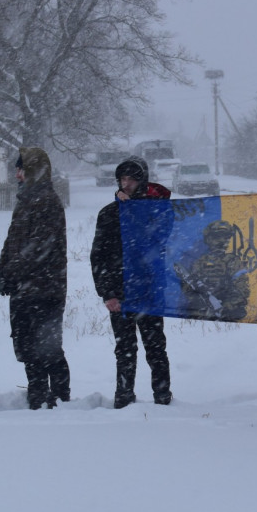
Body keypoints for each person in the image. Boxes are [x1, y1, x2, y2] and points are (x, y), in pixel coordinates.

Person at [90, 156, 173, 409]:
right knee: (125, 349)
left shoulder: (157, 210)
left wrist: (134, 211)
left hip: (149, 291)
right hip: (120, 293)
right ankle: (124, 398)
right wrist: (107, 293)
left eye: (131, 180)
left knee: (155, 348)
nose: (126, 184)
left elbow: (163, 240)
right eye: (122, 179)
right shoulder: (109, 213)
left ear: (142, 181)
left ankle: (163, 398)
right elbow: (99, 256)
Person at [0, 146, 71, 410]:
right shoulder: (26, 199)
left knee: (48, 349)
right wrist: (2, 271)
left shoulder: (47, 201)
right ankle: (37, 398)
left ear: (34, 170)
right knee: (28, 348)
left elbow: (38, 248)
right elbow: (12, 242)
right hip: (25, 288)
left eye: (21, 169)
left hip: (45, 289)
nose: (17, 175)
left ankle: (60, 401)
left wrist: (11, 273)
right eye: (17, 170)